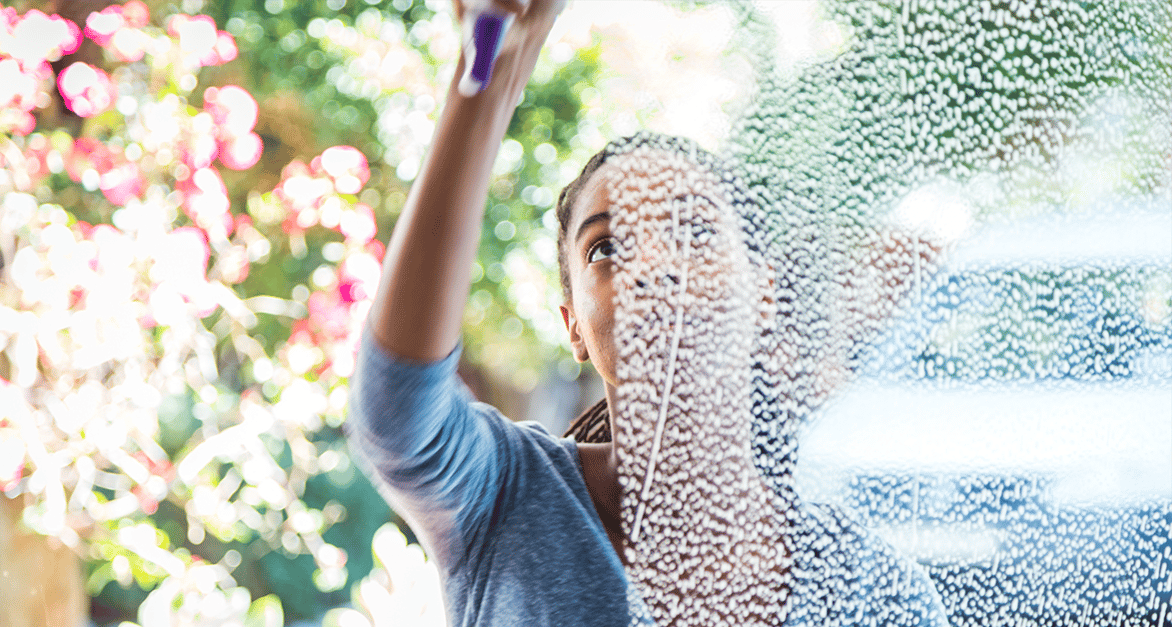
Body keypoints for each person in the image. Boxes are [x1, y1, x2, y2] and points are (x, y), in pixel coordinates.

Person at [345, 1, 950, 625]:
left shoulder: (877, 592)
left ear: (763, 292)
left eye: (695, 231)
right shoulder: (507, 495)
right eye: (606, 248)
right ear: (573, 324)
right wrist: (483, 89)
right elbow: (396, 417)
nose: (653, 268)